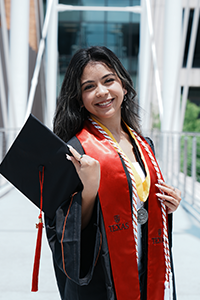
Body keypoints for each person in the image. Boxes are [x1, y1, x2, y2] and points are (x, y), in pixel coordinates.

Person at [45, 46, 181, 300]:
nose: (102, 92)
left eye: (109, 81)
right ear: (79, 99)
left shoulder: (144, 145)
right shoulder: (75, 150)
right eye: (89, 87)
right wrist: (89, 190)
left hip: (146, 268)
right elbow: (67, 233)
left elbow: (136, 200)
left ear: (125, 86)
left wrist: (165, 205)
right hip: (104, 280)